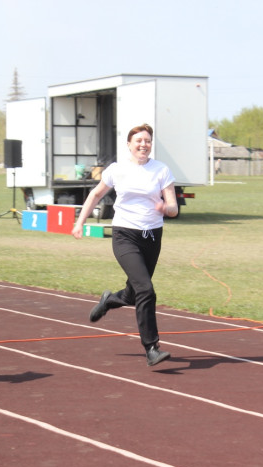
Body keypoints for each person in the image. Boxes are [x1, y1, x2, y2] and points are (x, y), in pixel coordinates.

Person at [72, 123, 178, 367]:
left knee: (135, 291)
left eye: (147, 140)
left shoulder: (161, 170)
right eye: (139, 140)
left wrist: (165, 207)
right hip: (124, 235)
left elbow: (173, 206)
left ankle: (110, 300)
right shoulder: (116, 170)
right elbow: (95, 195)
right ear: (129, 145)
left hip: (152, 236)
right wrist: (80, 223)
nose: (143, 144)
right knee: (146, 290)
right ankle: (151, 347)